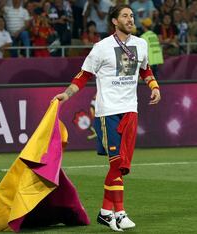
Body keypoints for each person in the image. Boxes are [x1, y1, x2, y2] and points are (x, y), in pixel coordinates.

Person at [53, 4, 161, 232]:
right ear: (114, 21)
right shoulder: (101, 48)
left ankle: (105, 212)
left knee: (121, 167)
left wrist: (154, 86)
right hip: (109, 111)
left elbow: (145, 69)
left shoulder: (141, 44)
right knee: (116, 163)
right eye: (125, 16)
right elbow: (83, 76)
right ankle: (119, 213)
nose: (130, 19)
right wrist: (67, 93)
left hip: (131, 109)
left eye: (131, 16)